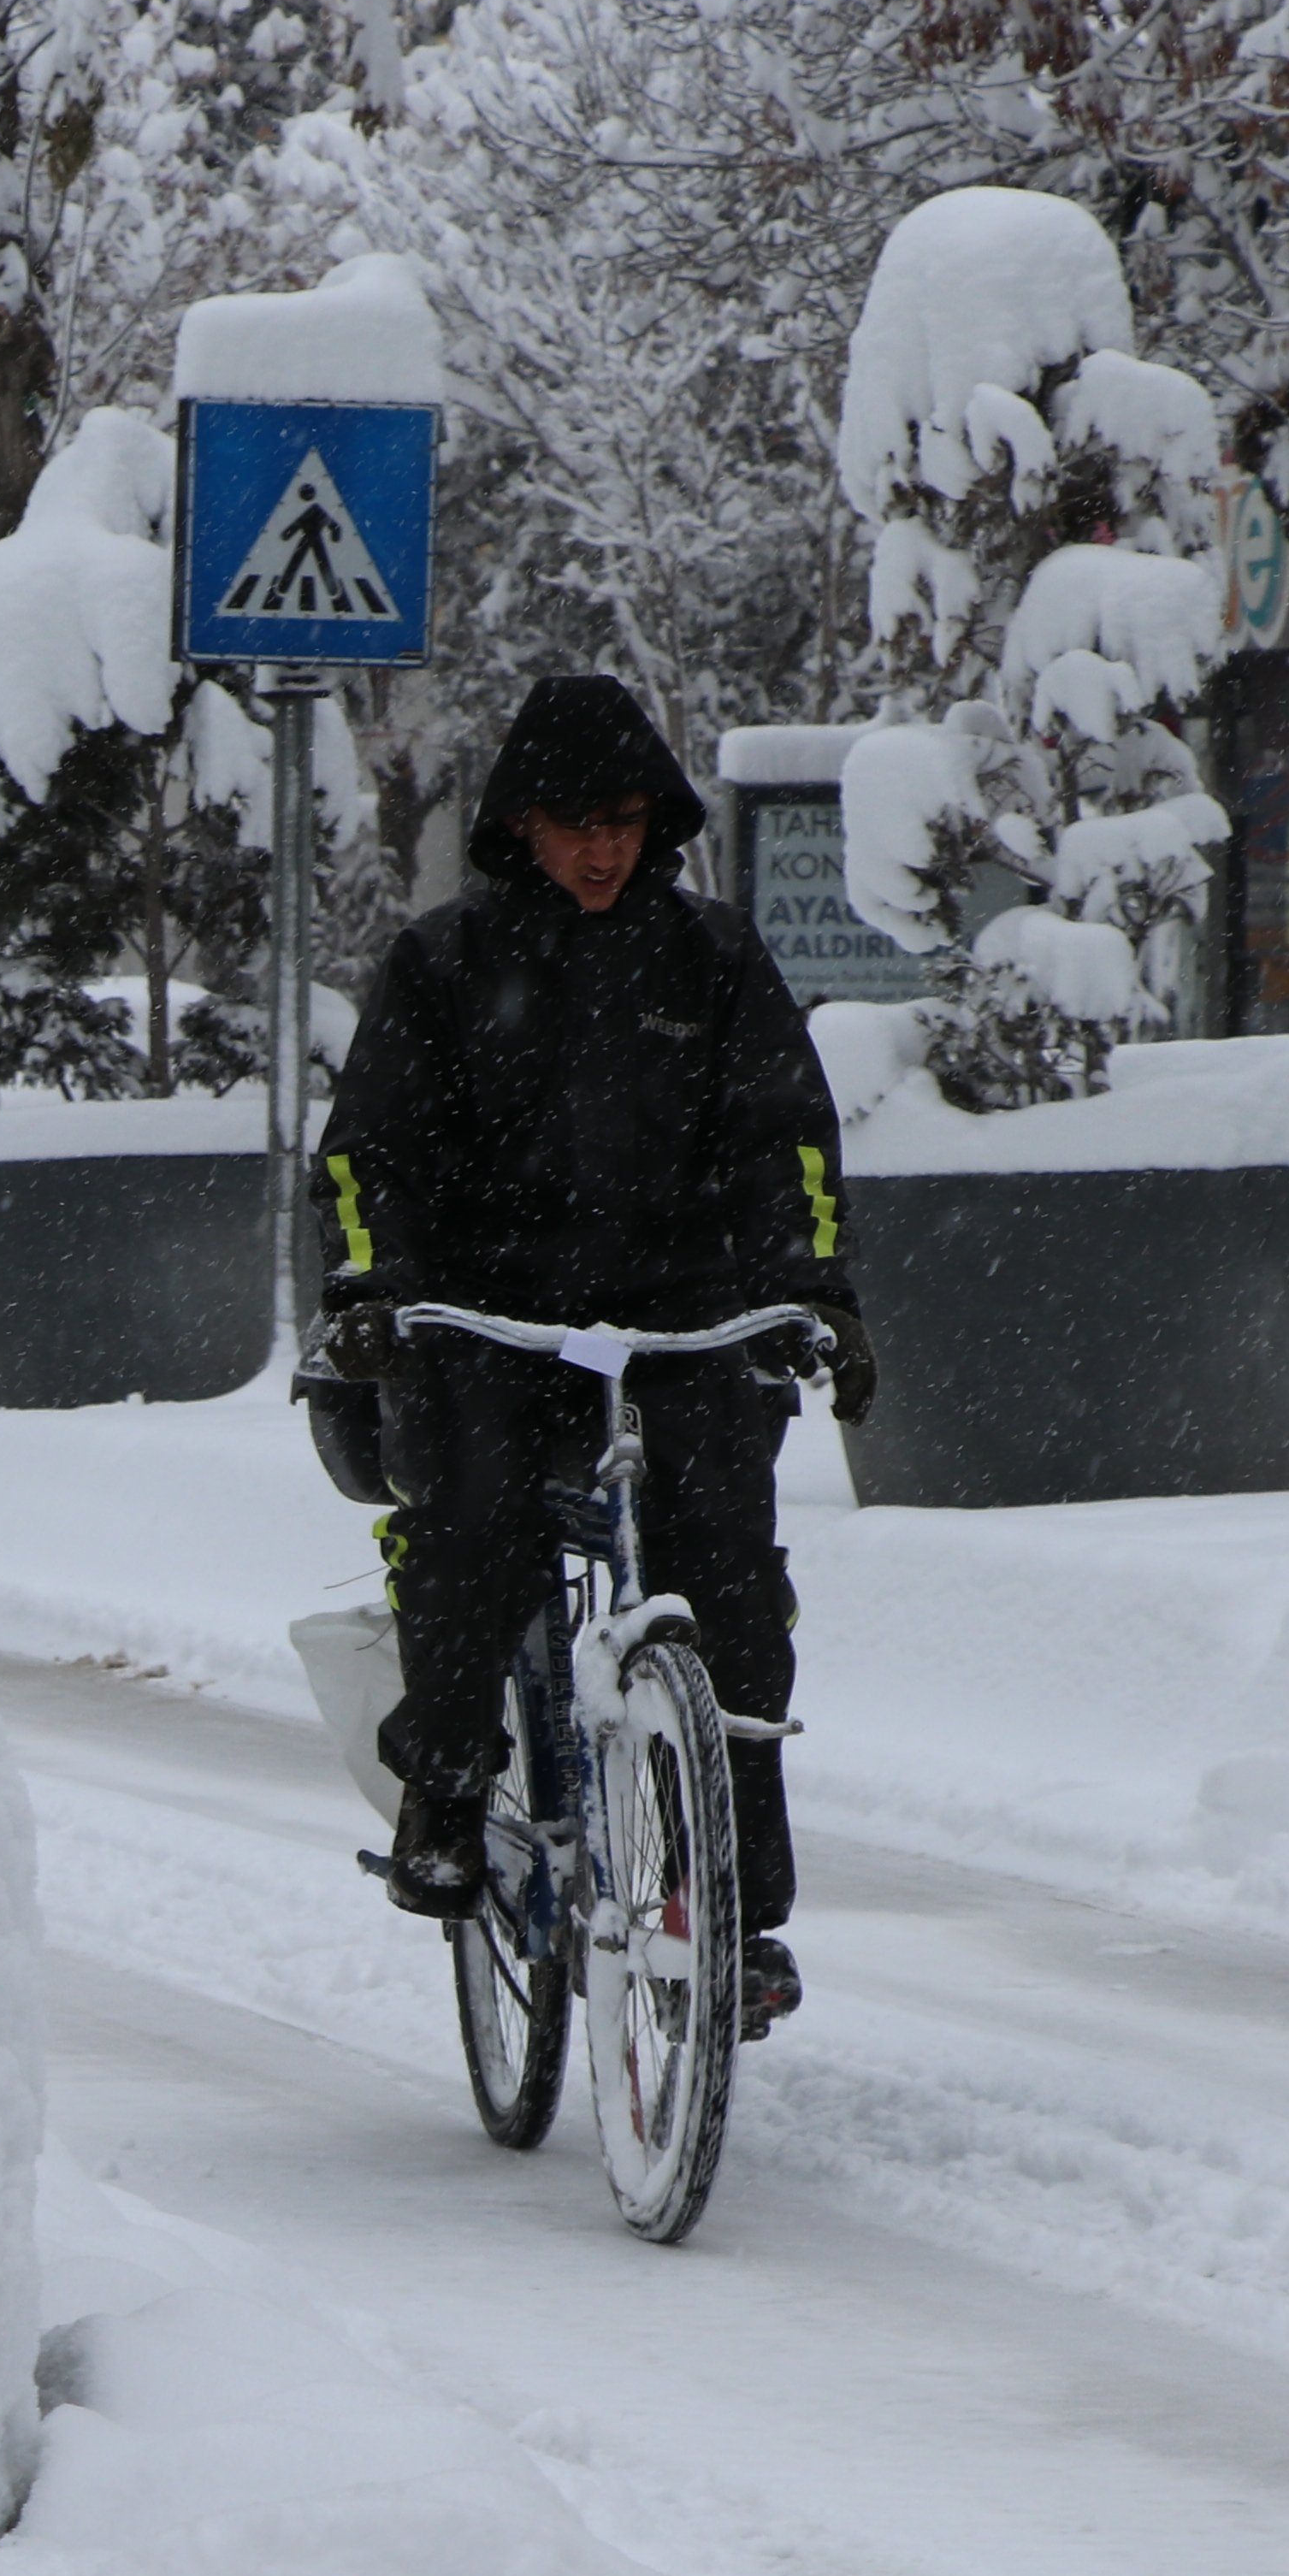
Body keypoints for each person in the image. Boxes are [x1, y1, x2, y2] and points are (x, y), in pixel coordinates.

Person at [312, 674, 866, 2038]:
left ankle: (738, 1917)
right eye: (576, 824)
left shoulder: (712, 958)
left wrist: (815, 1294)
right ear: (522, 825)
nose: (603, 849)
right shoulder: (444, 963)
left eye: (624, 822)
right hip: (492, 1325)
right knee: (472, 1518)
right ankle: (451, 1787)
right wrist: (377, 1289)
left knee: (732, 1577)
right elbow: (368, 1154)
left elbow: (786, 1139)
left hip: (680, 1326)